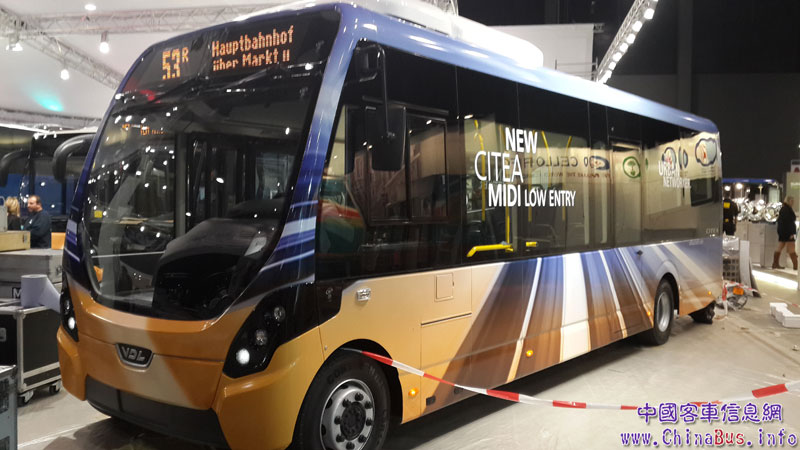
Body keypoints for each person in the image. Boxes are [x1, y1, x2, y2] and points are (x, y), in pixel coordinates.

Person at [774, 196, 797, 270]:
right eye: (792, 201)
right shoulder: (787, 210)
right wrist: (791, 233)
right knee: (792, 248)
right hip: (788, 232)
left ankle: (775, 263)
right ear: (788, 201)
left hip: (783, 232)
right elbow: (788, 223)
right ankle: (796, 266)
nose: (793, 203)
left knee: (780, 246)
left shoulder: (784, 209)